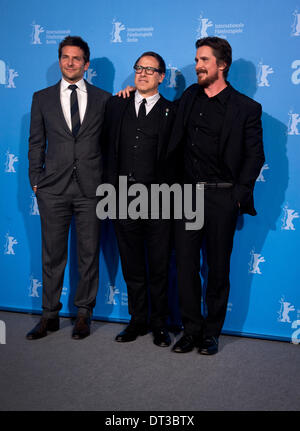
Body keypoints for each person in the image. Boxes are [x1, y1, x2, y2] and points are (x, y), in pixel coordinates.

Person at [169, 37, 265, 355]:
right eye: (196, 59)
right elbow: (166, 126)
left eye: (204, 60)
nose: (197, 65)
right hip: (186, 198)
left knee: (218, 269)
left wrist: (237, 196)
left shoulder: (246, 109)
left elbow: (254, 156)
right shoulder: (189, 97)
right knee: (185, 267)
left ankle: (212, 332)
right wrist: (131, 95)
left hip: (222, 198)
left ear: (221, 65)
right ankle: (191, 329)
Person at [27, 36, 110, 340]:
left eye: (76, 58)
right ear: (60, 60)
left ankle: (83, 315)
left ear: (86, 64)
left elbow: (109, 145)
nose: (70, 63)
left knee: (88, 254)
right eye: (65, 57)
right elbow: (36, 143)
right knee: (52, 255)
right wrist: (36, 181)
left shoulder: (104, 98)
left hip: (92, 189)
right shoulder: (42, 98)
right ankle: (49, 315)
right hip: (53, 190)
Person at [104, 52, 177, 347]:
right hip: (121, 198)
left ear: (161, 77)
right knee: (131, 264)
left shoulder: (174, 111)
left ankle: (160, 324)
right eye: (139, 68)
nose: (143, 73)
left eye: (151, 69)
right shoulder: (115, 105)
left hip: (160, 199)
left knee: (159, 266)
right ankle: (137, 320)